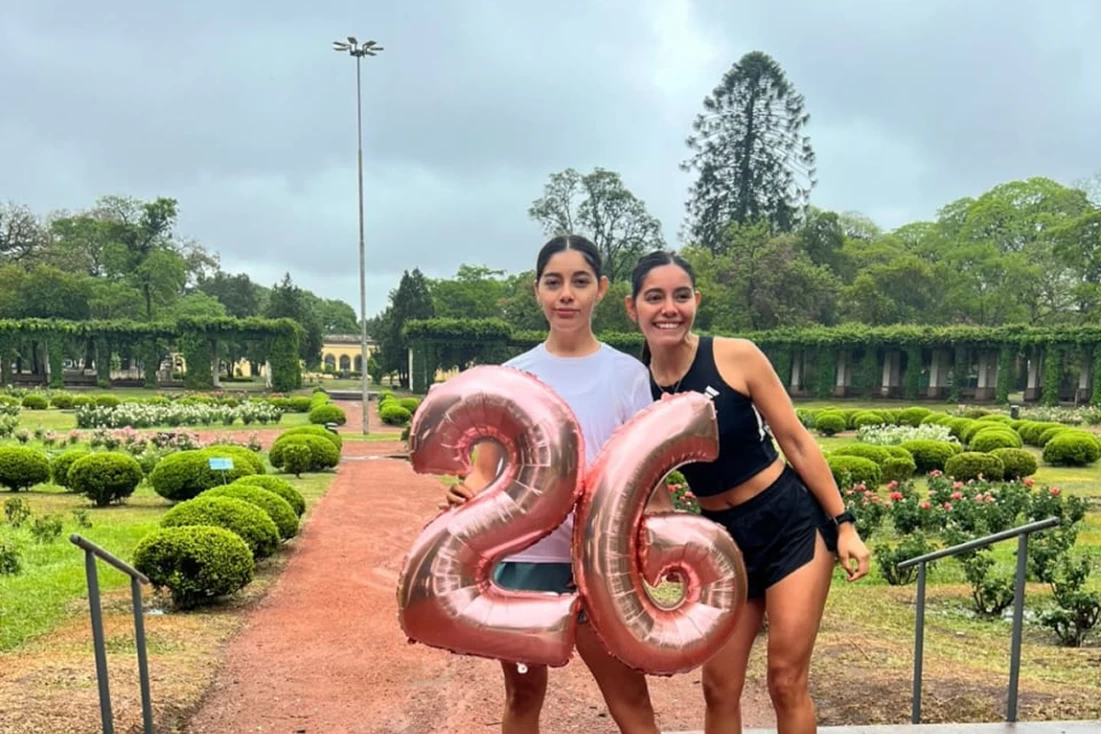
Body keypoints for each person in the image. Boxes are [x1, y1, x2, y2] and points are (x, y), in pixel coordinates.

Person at [625, 250, 871, 734]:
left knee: (785, 680)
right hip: (720, 543)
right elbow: (648, 479)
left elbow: (796, 441)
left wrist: (845, 525)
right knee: (718, 687)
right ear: (633, 308)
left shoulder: (734, 355)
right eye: (654, 297)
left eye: (680, 296)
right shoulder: (636, 388)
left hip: (790, 525)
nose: (669, 308)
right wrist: (670, 543)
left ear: (696, 300)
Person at [444, 235, 660, 734]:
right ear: (536, 291)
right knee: (523, 694)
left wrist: (657, 537)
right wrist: (467, 492)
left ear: (601, 289)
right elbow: (484, 467)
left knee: (629, 696)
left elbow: (647, 470)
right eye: (554, 282)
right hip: (526, 560)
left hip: (602, 563)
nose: (567, 294)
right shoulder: (513, 376)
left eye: (580, 282)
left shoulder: (627, 374)